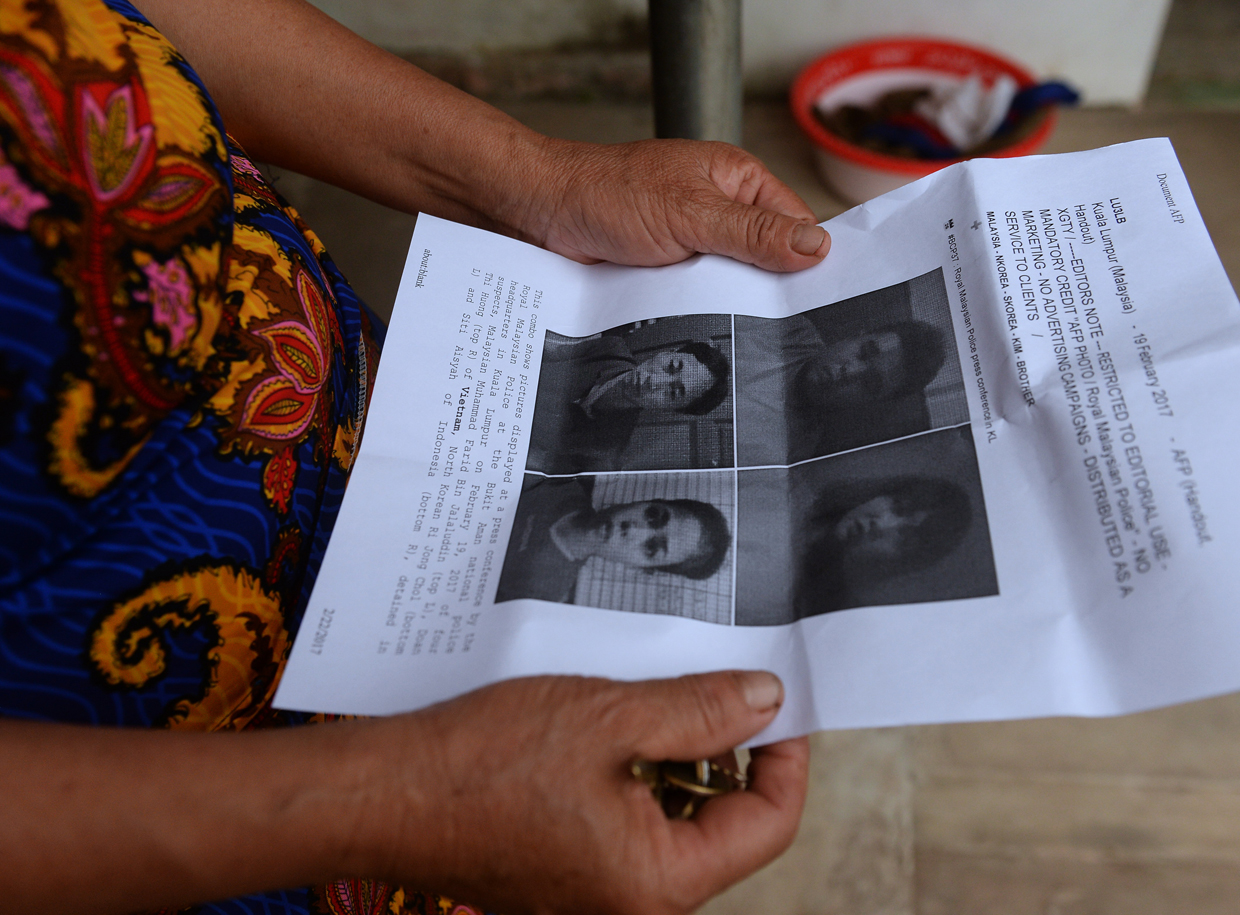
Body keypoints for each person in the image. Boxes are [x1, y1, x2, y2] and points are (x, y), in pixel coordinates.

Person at [0, 0, 829, 912]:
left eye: (659, 541)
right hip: (168, 799)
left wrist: (536, 176)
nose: (641, 524)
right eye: (662, 520)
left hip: (360, 428)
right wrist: (390, 798)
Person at [735, 314, 946, 465]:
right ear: (854, 336)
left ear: (867, 403)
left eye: (870, 383)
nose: (850, 372)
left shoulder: (795, 451)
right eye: (865, 352)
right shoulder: (788, 327)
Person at [495, 476, 731, 605]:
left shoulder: (541, 594)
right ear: (646, 501)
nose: (634, 530)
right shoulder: (561, 482)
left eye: (650, 548)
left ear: (642, 568)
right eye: (652, 515)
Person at [527, 332, 730, 473]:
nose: (654, 381)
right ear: (667, 353)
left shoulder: (603, 452)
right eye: (671, 366)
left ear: (670, 410)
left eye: (673, 393)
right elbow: (543, 352)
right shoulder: (611, 348)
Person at [792, 477, 972, 618]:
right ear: (882, 492)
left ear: (900, 562)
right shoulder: (798, 497)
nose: (882, 526)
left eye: (904, 538)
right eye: (898, 507)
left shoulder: (829, 611)